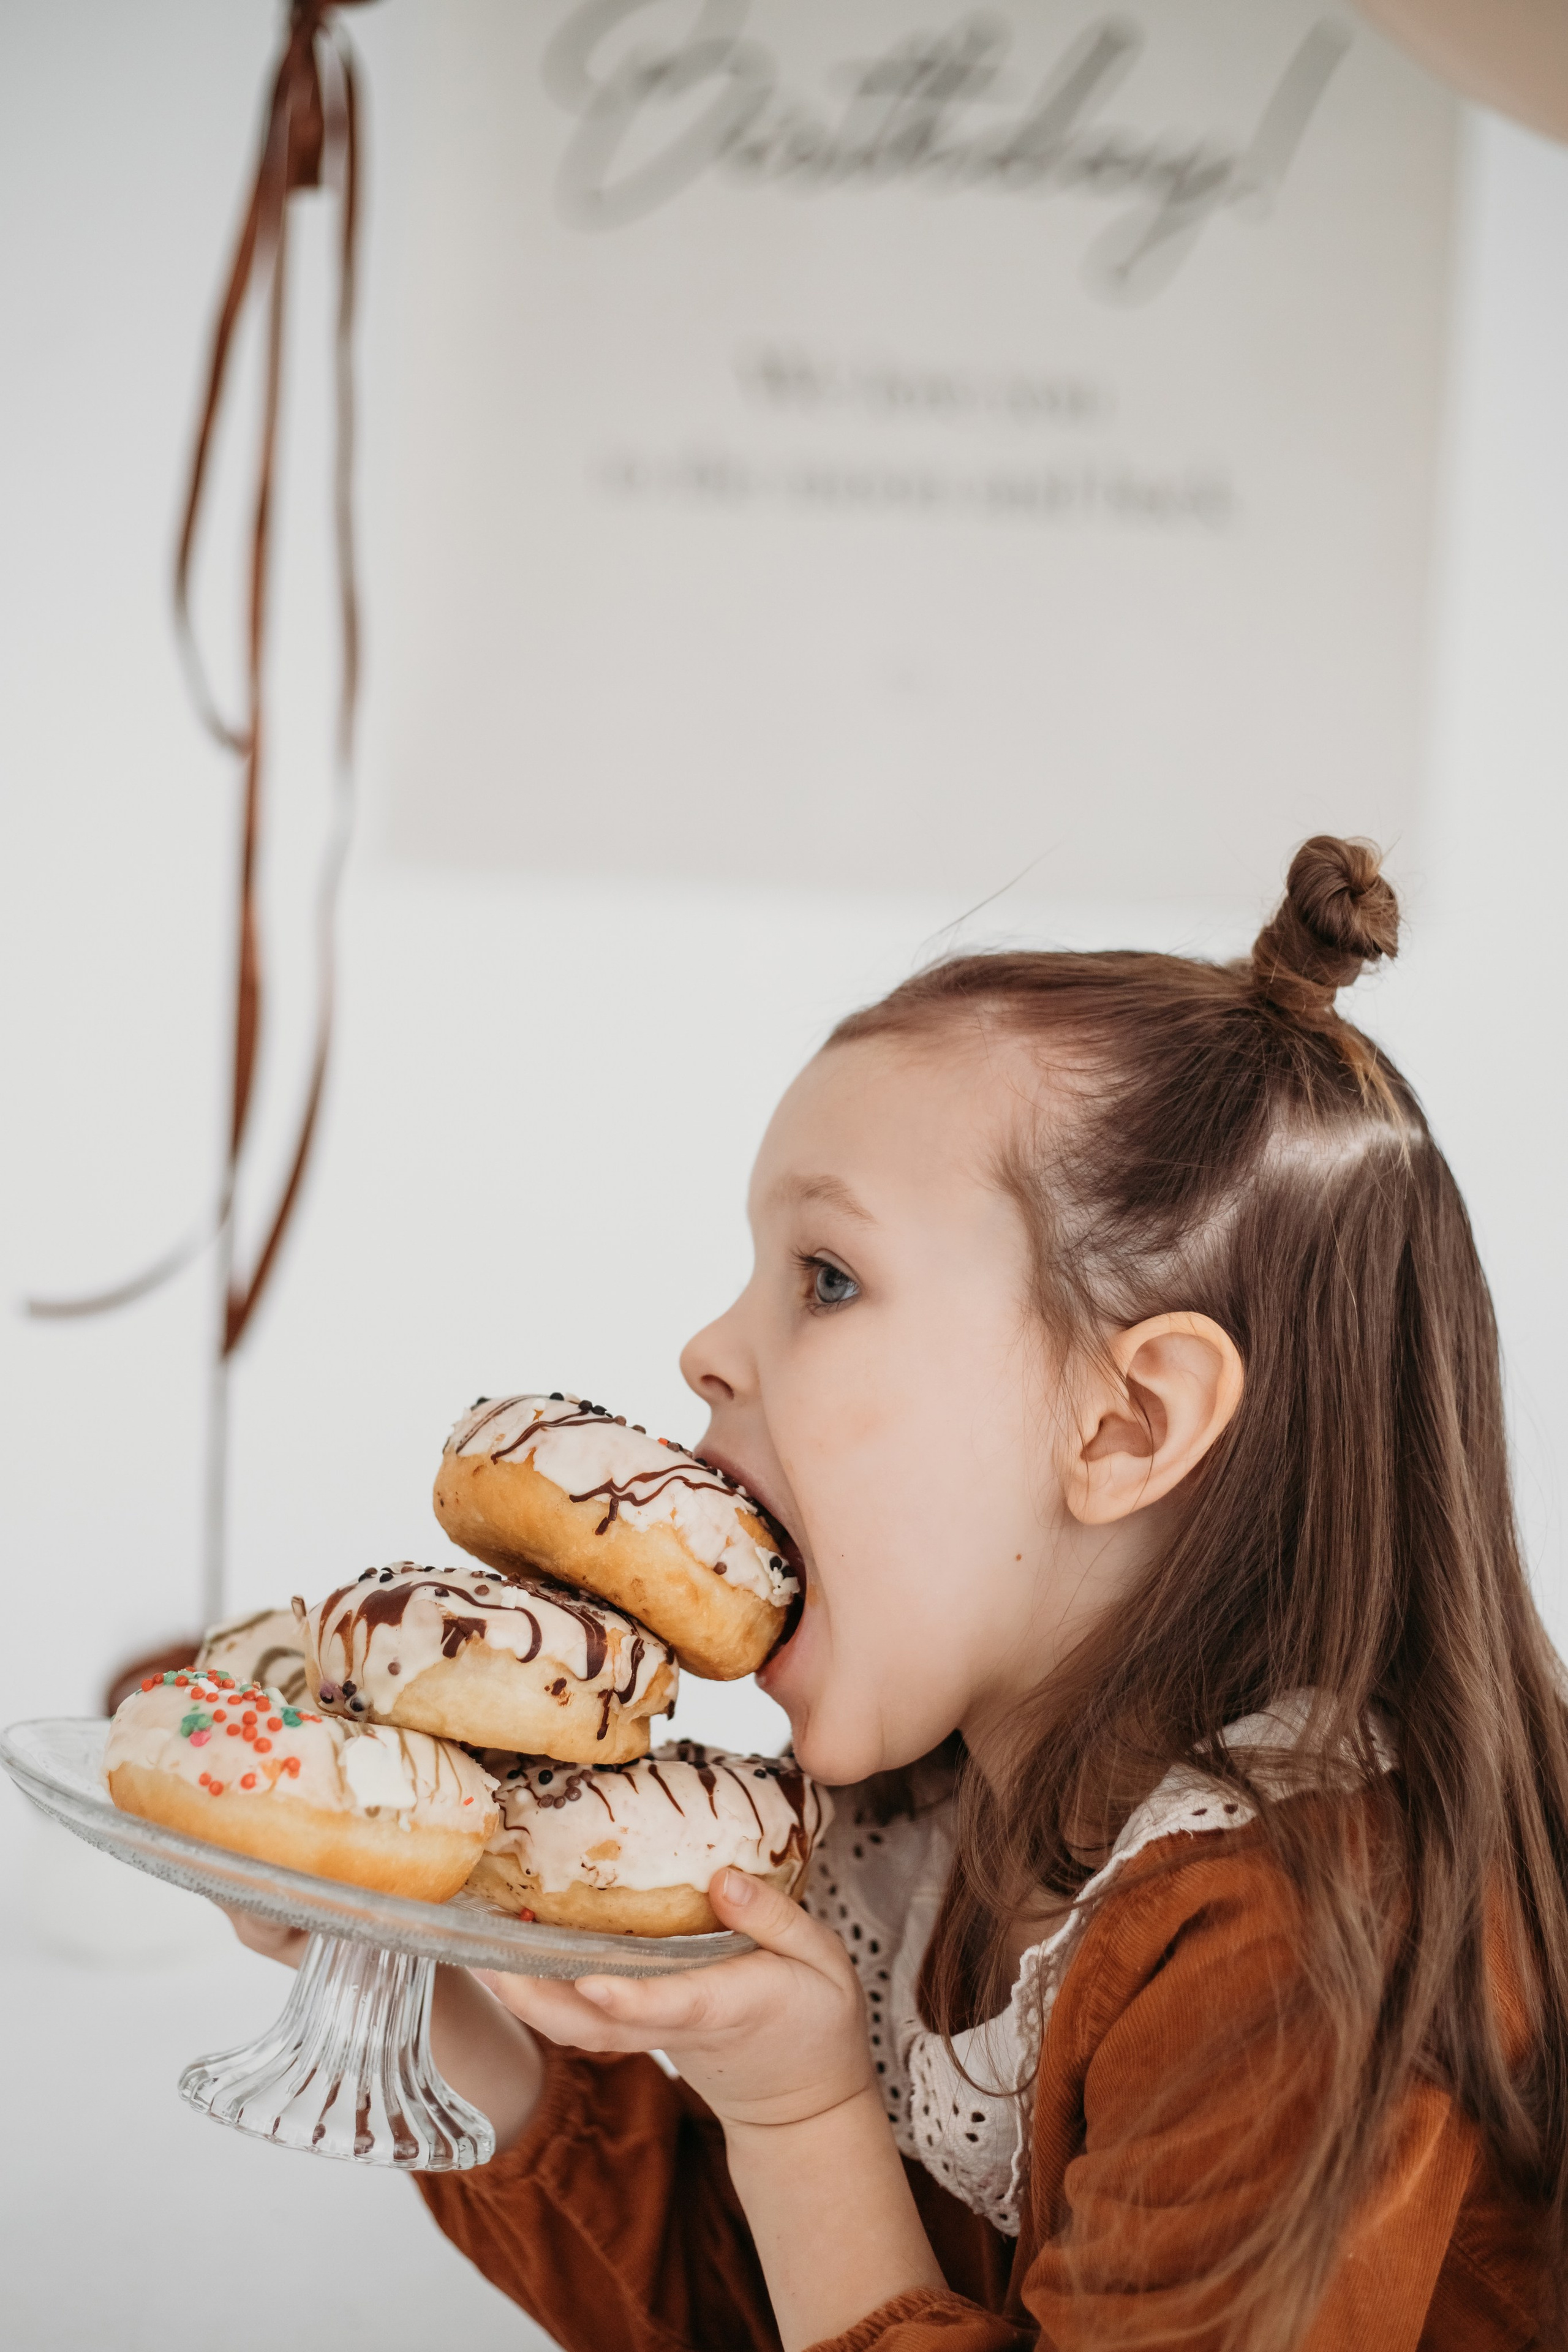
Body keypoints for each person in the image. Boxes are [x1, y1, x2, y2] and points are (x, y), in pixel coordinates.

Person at [236, 837, 1568, 2347]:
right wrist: (436, 1991)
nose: (704, 1351)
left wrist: (802, 2115)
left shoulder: (1304, 1943)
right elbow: (760, 2310)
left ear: (1123, 1427)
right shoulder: (919, 1832)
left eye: (825, 1277)